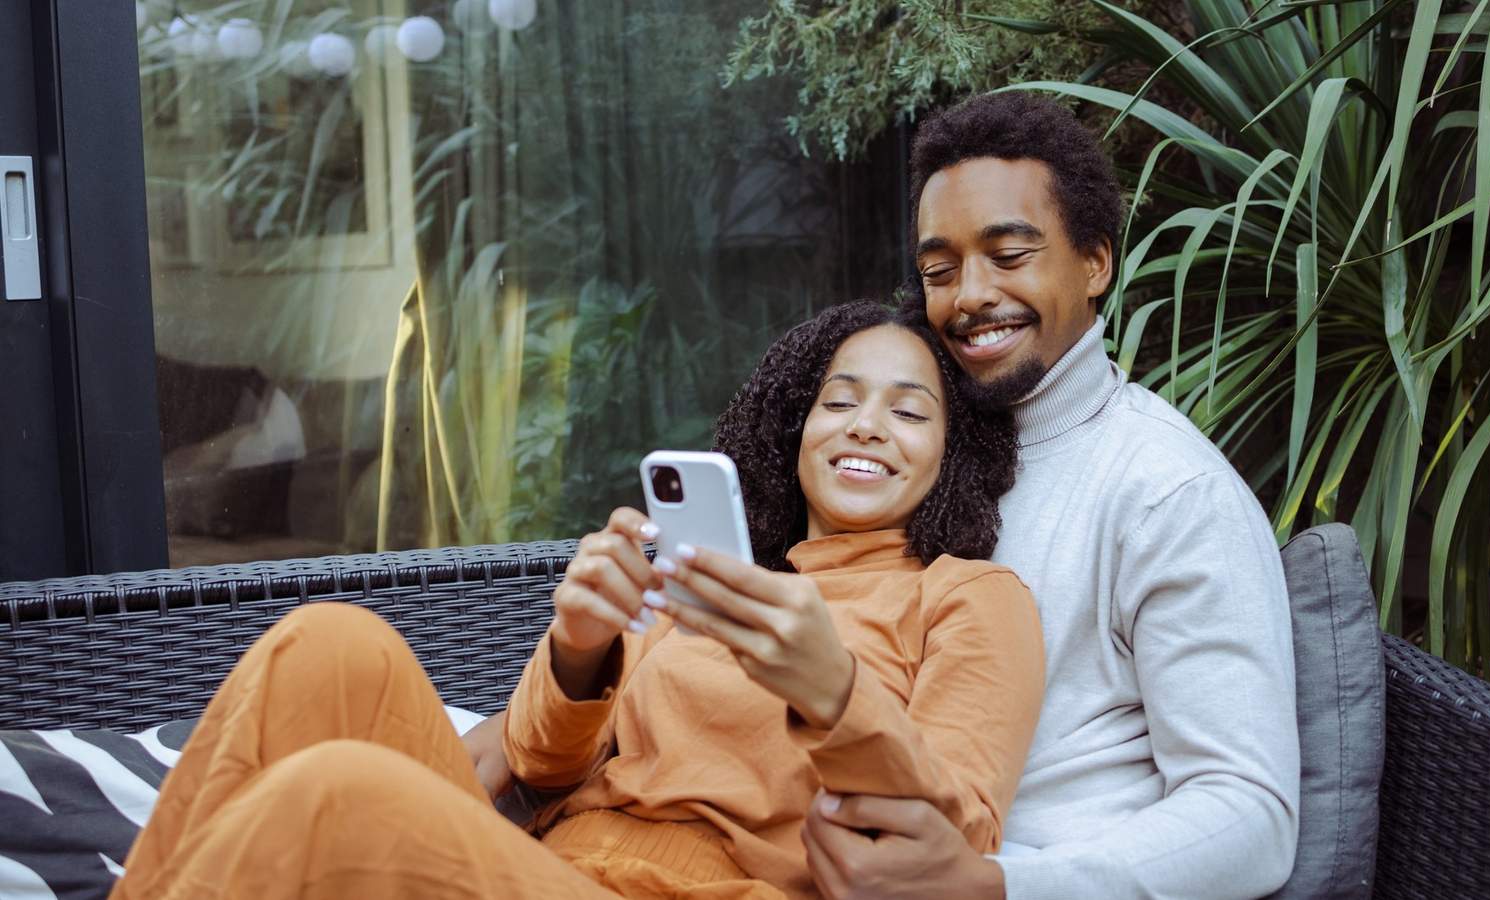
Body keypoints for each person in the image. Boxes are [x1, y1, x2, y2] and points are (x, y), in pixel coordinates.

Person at [112, 300, 1045, 900]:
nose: (868, 425)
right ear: (794, 427)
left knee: (338, 797)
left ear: (950, 453)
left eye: (910, 411)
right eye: (839, 400)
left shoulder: (966, 596)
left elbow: (956, 831)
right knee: (325, 642)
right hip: (550, 865)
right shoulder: (712, 572)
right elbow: (537, 766)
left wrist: (833, 690)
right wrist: (581, 646)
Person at [795, 92, 1300, 899]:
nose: (968, 297)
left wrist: (998, 885)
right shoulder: (913, 444)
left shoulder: (1168, 491)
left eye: (1009, 254)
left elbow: (1252, 816)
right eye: (939, 269)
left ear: (1095, 261)